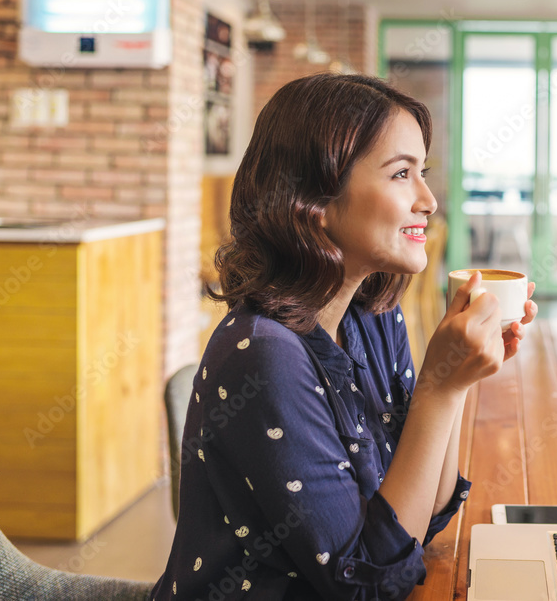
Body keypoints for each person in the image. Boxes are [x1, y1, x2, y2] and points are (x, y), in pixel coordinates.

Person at [150, 73, 537, 600]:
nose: (428, 199)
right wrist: (440, 389)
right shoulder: (264, 355)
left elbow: (417, 523)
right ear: (315, 199)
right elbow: (368, 585)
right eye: (402, 174)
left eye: (423, 173)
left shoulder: (372, 316)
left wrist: (456, 376)